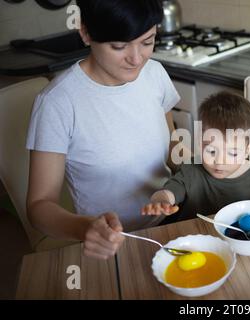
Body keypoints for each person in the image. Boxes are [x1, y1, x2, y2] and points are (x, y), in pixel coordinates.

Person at [26, 0, 180, 260]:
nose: (136, 58)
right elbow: (39, 206)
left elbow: (173, 149)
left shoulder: (154, 73)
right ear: (86, 33)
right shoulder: (57, 102)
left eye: (147, 41)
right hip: (112, 245)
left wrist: (214, 165)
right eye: (119, 46)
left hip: (171, 226)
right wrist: (86, 228)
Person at [141, 91, 250, 222]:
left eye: (233, 153)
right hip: (195, 238)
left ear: (247, 150)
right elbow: (169, 193)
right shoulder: (191, 170)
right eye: (212, 151)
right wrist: (160, 201)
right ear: (200, 144)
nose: (220, 161)